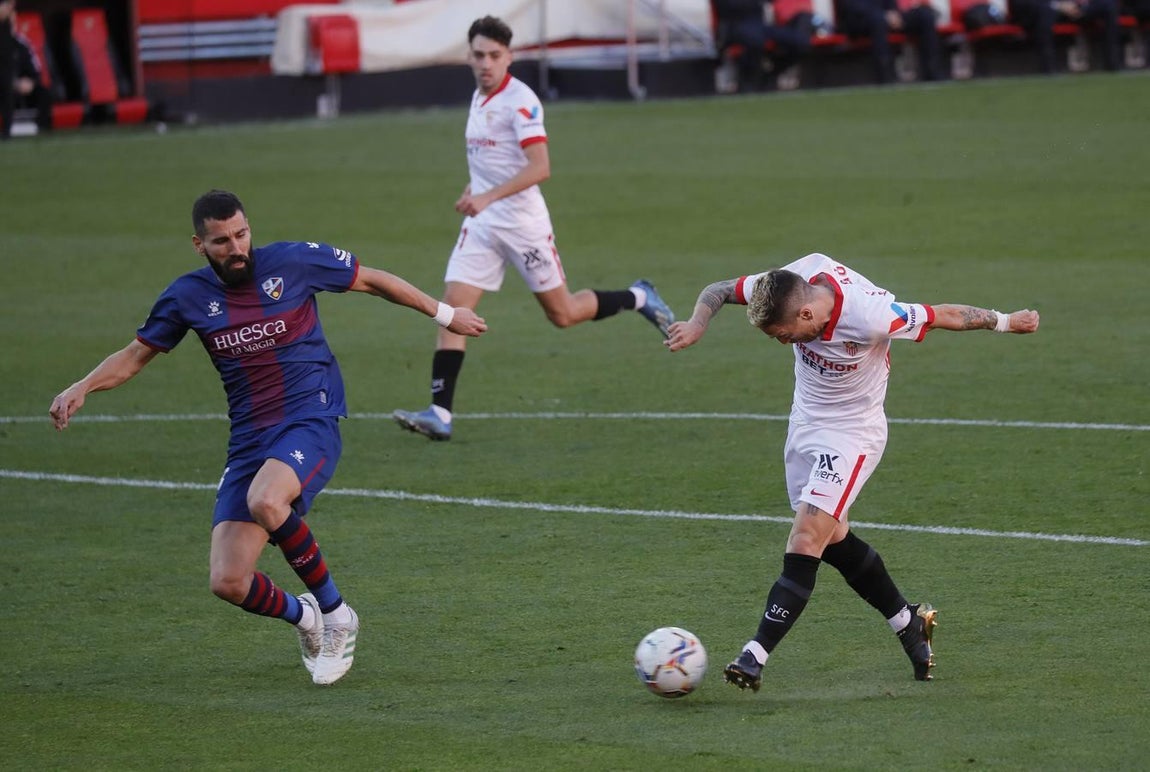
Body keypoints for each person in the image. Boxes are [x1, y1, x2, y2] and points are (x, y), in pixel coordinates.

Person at [49, 190, 487, 685]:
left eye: (241, 234)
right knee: (229, 581)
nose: (236, 247)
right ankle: (306, 617)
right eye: (222, 241)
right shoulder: (187, 297)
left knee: (266, 499)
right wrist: (82, 386)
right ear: (200, 244)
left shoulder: (294, 262)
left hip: (309, 419)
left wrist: (447, 316)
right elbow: (135, 355)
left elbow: (373, 280)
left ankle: (338, 614)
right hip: (250, 441)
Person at [664, 253, 1039, 690]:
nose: (783, 343)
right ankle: (907, 622)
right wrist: (698, 323)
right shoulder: (788, 281)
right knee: (832, 537)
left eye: (784, 335)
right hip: (804, 424)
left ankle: (754, 655)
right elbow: (720, 289)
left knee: (805, 537)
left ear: (806, 312)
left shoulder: (871, 315)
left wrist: (1008, 321)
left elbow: (945, 315)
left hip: (851, 435)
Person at [391, 15, 675, 442]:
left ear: (509, 56)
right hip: (484, 225)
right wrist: (476, 190)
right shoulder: (478, 96)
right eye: (479, 55)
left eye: (494, 55)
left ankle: (638, 296)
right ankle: (440, 413)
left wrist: (487, 196)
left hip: (523, 227)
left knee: (562, 314)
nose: (486, 63)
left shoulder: (520, 101)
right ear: (469, 56)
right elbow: (490, 159)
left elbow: (540, 167)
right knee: (451, 308)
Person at [712, 0, 814, 92]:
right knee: (754, 41)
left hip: (759, 27)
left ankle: (771, 74)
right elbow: (728, 7)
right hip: (735, 27)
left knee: (801, 41)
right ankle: (749, 81)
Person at [834, 0, 947, 82]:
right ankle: (885, 76)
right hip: (858, 21)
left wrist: (894, 13)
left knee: (925, 16)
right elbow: (851, 7)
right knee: (878, 21)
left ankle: (933, 71)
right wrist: (884, 15)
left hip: (884, 17)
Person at [1009, 0, 1122, 73]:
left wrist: (1078, 4)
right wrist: (1059, 5)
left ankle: (1112, 64)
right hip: (1047, 8)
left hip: (1074, 7)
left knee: (1108, 5)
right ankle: (1049, 70)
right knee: (1044, 12)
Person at [0, 0, 51, 139]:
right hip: (5, 85)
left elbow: (35, 67)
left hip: (20, 86)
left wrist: (31, 82)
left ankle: (40, 128)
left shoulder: (21, 44)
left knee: (44, 92)